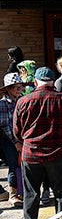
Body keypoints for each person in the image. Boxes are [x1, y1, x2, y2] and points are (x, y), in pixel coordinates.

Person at [13, 67, 62, 219]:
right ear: (53, 81)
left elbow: (17, 130)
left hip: (31, 154)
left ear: (36, 82)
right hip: (57, 154)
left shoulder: (23, 101)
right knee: (61, 194)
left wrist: (24, 142)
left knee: (31, 194)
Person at [0, 73, 25, 207]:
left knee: (23, 165)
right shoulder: (2, 104)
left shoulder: (22, 100)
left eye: (20, 87)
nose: (18, 90)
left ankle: (22, 191)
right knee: (14, 164)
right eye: (15, 87)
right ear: (7, 89)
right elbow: (5, 125)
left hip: (22, 138)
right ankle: (13, 194)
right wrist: (16, 142)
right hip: (9, 139)